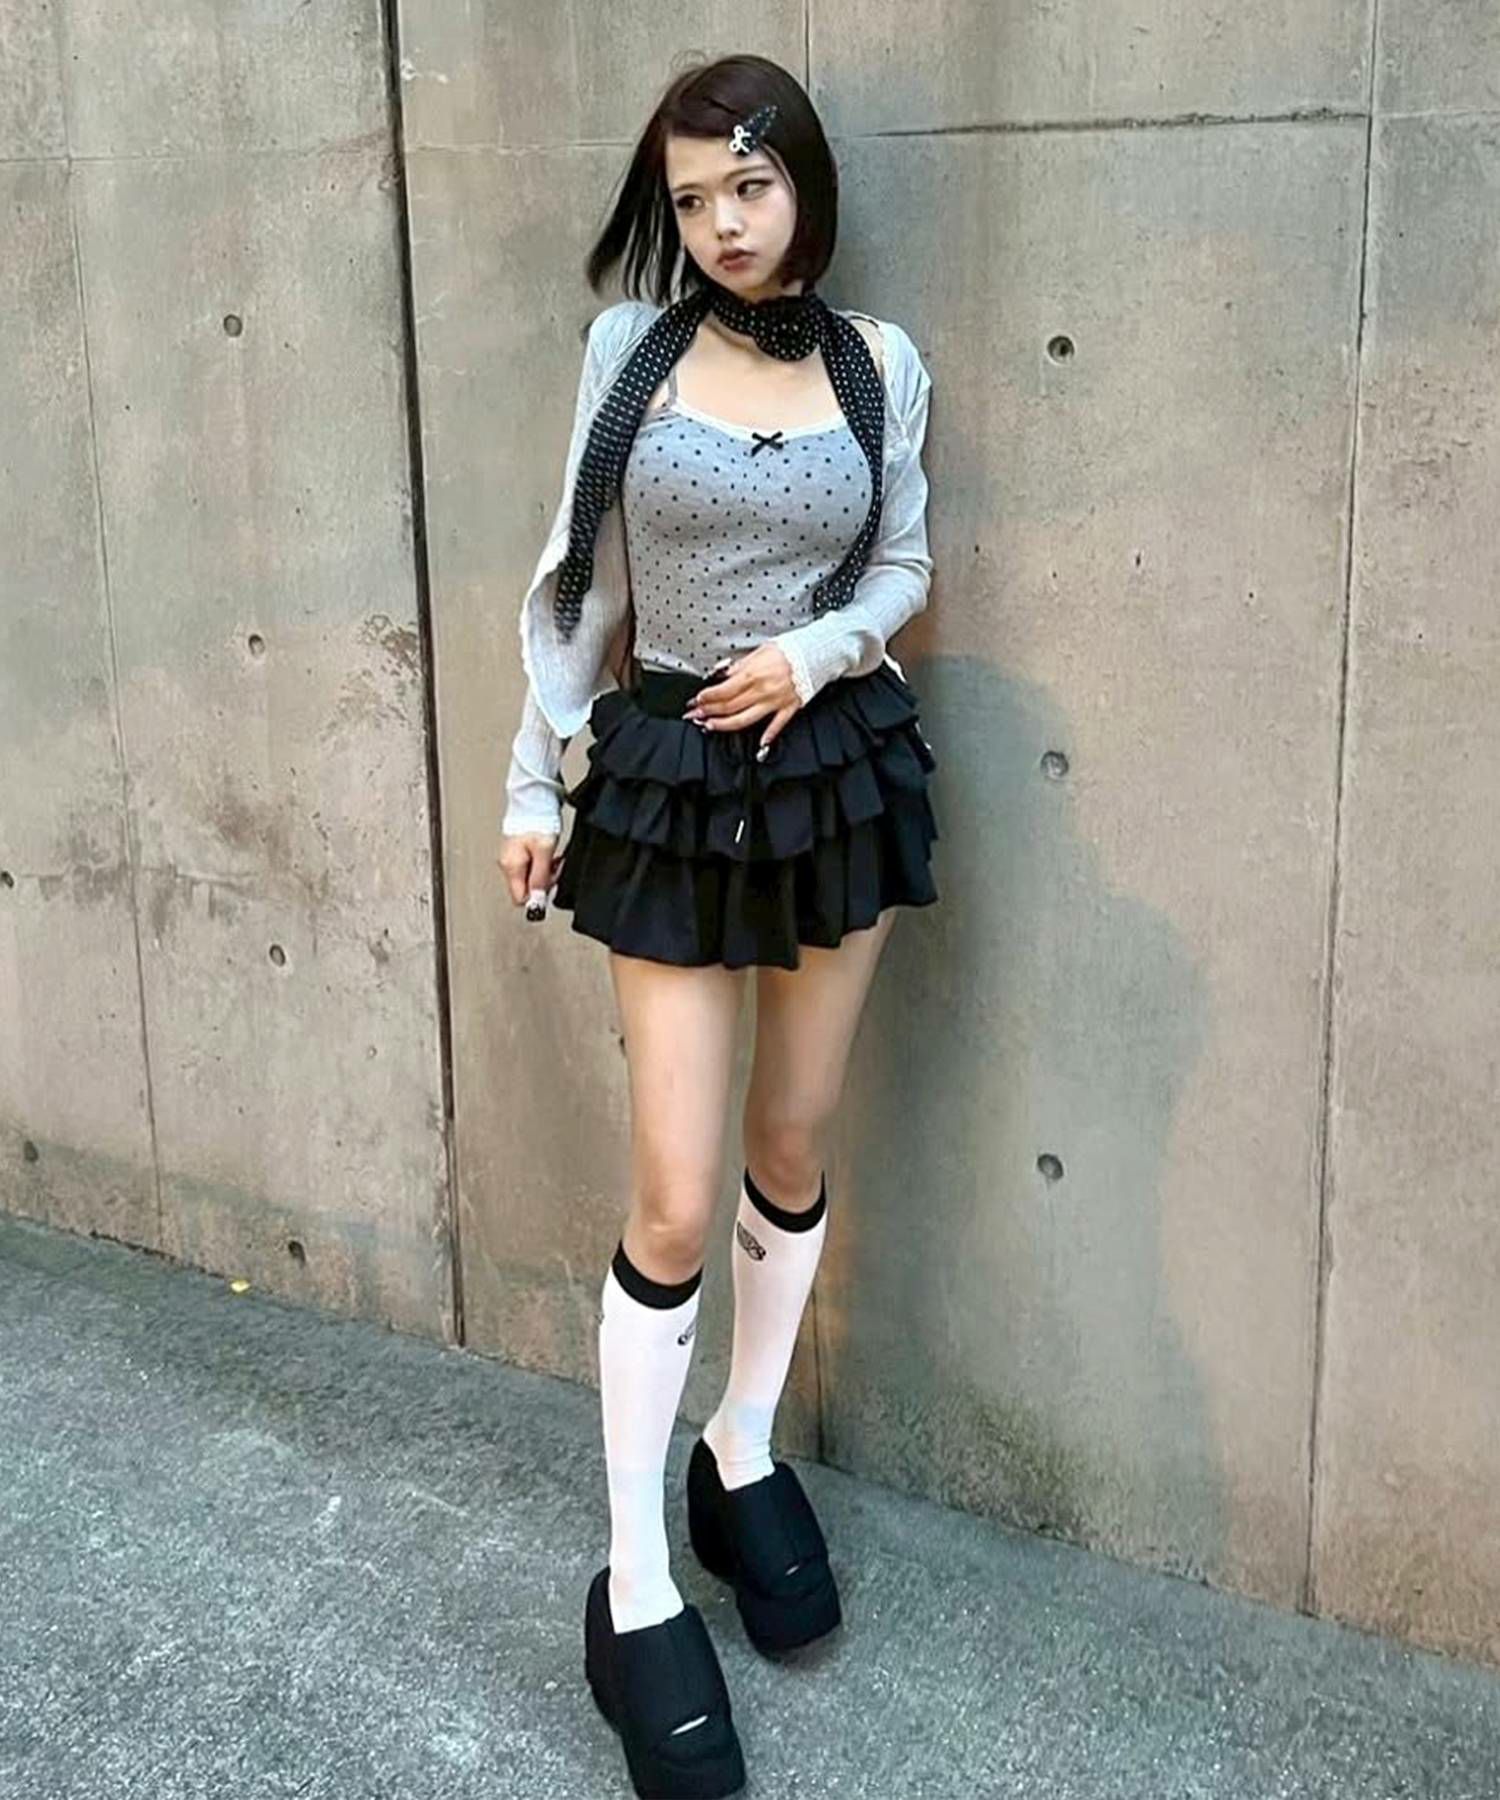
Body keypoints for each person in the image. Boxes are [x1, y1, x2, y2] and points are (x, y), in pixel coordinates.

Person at [496, 52, 940, 1800]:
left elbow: (903, 564)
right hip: (670, 776)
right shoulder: (633, 352)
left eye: (746, 185)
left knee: (791, 1136)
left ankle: (742, 1451)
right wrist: (535, 785)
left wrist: (820, 651)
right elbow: (577, 579)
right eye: (691, 200)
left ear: (801, 179)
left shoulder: (878, 363)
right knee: (673, 1196)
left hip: (834, 769)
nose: (723, 224)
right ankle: (634, 1583)